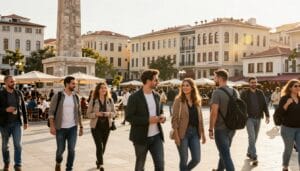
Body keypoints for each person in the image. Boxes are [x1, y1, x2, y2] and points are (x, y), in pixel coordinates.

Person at [126, 69, 166, 171]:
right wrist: (147, 120)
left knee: (160, 165)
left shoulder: (157, 95)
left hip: (156, 137)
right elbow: (129, 117)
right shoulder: (134, 97)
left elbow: (160, 111)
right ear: (148, 81)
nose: (158, 82)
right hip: (140, 138)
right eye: (156, 80)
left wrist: (162, 116)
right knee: (140, 167)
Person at [48, 76, 84, 171]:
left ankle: (69, 168)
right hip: (60, 128)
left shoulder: (76, 97)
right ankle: (58, 162)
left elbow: (79, 113)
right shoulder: (58, 96)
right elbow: (51, 112)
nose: (74, 85)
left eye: (75, 83)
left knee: (71, 150)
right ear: (67, 84)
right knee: (60, 150)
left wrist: (81, 126)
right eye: (73, 83)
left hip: (73, 127)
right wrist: (52, 126)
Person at [171, 78, 206, 171]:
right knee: (184, 159)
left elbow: (200, 119)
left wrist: (203, 134)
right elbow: (174, 120)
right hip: (182, 133)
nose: (184, 87)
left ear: (192, 87)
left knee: (196, 159)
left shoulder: (197, 101)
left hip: (195, 133)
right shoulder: (178, 100)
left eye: (187, 85)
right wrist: (177, 136)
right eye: (183, 85)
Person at [209, 69, 237, 171]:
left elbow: (214, 112)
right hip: (232, 128)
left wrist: (210, 129)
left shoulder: (217, 92)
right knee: (224, 151)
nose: (214, 79)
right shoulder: (234, 91)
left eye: (215, 77)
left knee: (225, 155)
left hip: (221, 129)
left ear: (220, 78)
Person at [0, 75, 28, 171]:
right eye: (12, 81)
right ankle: (6, 163)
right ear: (6, 83)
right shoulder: (1, 94)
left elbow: (23, 107)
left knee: (18, 145)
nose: (14, 83)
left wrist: (25, 121)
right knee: (5, 146)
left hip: (17, 123)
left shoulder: (19, 93)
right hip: (4, 124)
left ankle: (18, 165)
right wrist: (5, 109)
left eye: (14, 81)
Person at [86, 82, 116, 171]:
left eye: (105, 88)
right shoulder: (93, 100)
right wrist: (96, 114)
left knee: (103, 146)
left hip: (107, 126)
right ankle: (102, 164)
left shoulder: (110, 100)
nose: (104, 89)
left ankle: (98, 161)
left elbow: (114, 113)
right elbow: (87, 114)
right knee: (99, 146)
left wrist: (108, 114)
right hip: (96, 127)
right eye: (102, 88)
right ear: (98, 90)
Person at [240, 77, 270, 165]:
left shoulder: (260, 93)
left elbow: (264, 104)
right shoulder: (244, 93)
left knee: (255, 137)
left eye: (255, 82)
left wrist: (267, 115)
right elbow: (240, 105)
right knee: (252, 137)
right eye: (252, 82)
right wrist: (243, 114)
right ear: (249, 84)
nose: (253, 84)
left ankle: (249, 152)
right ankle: (254, 156)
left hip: (258, 118)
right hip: (249, 118)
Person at [276, 79, 300, 171]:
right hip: (287, 129)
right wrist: (287, 104)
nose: (298, 87)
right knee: (288, 149)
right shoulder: (284, 98)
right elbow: (279, 113)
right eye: (295, 86)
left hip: (299, 128)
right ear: (290, 88)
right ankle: (285, 166)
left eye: (299, 86)